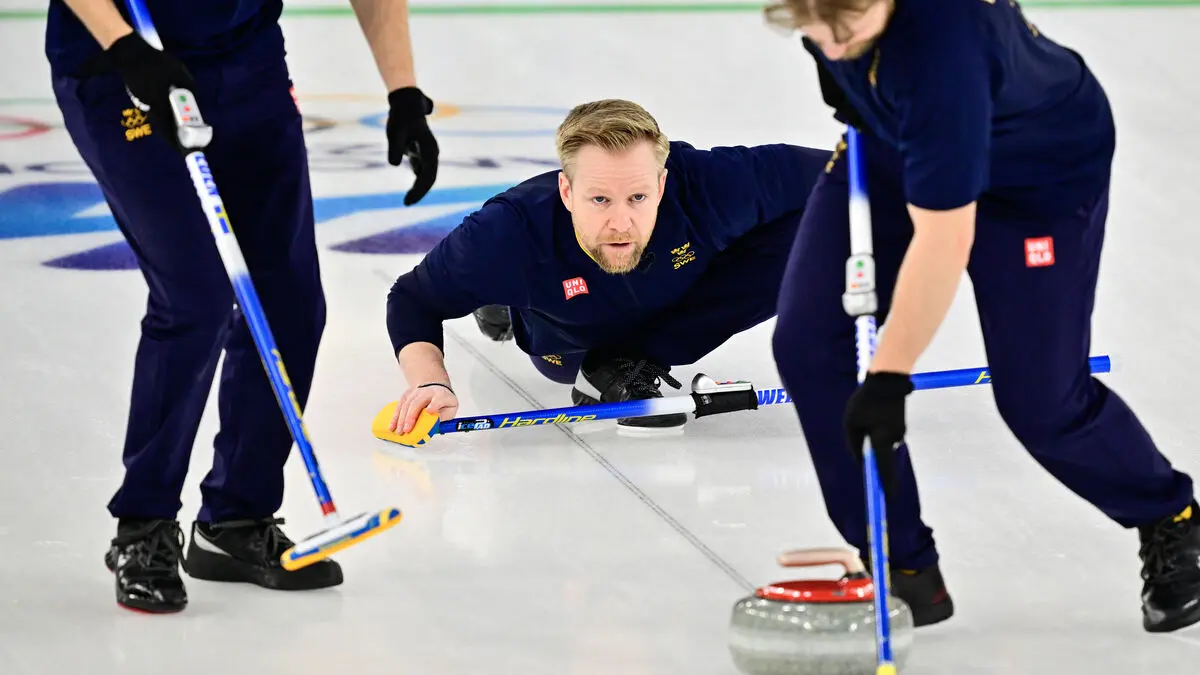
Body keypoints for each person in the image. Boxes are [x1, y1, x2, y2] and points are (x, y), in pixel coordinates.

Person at [762, 0, 1200, 632]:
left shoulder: (944, 49)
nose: (830, 45)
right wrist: (854, 87)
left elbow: (943, 242)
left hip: (1032, 180)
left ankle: (1170, 515)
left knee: (1043, 403)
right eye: (811, 29)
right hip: (898, 140)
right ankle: (902, 565)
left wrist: (889, 379)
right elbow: (837, 41)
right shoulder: (836, 20)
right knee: (807, 344)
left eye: (846, 30)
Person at [45, 0, 440, 613]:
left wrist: (404, 93)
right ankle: (144, 525)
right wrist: (125, 49)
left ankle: (236, 519)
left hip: (246, 63)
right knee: (195, 294)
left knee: (292, 301)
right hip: (122, 66)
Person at [385, 98, 830, 436]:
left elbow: (853, 172)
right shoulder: (509, 231)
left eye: (637, 197)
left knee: (827, 224)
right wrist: (430, 383)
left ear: (661, 184)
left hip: (674, 297)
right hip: (565, 337)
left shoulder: (710, 183)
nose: (620, 222)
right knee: (514, 288)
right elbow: (412, 298)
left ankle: (633, 357)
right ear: (566, 191)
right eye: (599, 199)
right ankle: (503, 304)